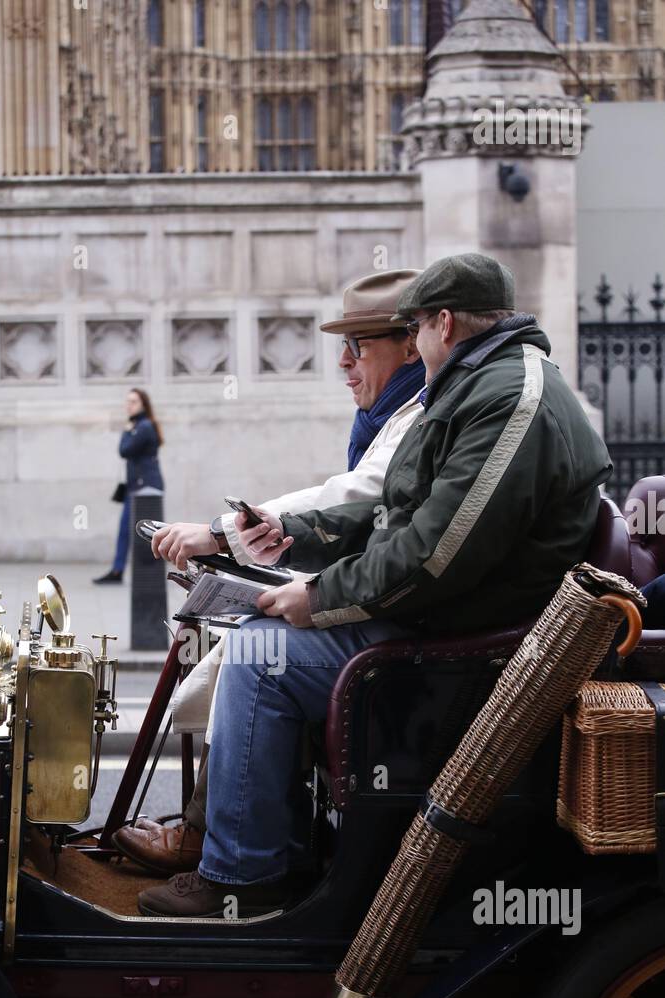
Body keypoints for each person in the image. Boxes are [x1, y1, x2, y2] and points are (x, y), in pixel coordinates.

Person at [135, 252, 613, 918]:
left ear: (443, 323)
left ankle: (242, 878)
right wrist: (290, 532)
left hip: (462, 643)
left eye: (412, 328)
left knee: (257, 658)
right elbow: (392, 502)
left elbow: (434, 555)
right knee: (259, 631)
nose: (414, 344)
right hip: (445, 619)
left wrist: (320, 597)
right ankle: (277, 847)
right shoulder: (485, 384)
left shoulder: (509, 397)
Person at [112, 269, 427, 874]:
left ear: (412, 345)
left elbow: (354, 497)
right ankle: (215, 830)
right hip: (388, 602)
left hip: (405, 626)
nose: (343, 361)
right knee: (247, 633)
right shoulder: (392, 413)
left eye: (358, 345)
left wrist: (223, 532)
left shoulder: (419, 414)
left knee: (259, 654)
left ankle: (238, 867)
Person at [94, 388, 164, 585]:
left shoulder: (143, 427)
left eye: (133, 401)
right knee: (128, 530)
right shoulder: (141, 425)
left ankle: (135, 572)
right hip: (138, 488)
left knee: (145, 533)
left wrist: (126, 430)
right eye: (127, 401)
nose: (128, 405)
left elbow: (124, 450)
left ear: (143, 404)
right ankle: (119, 570)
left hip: (145, 489)